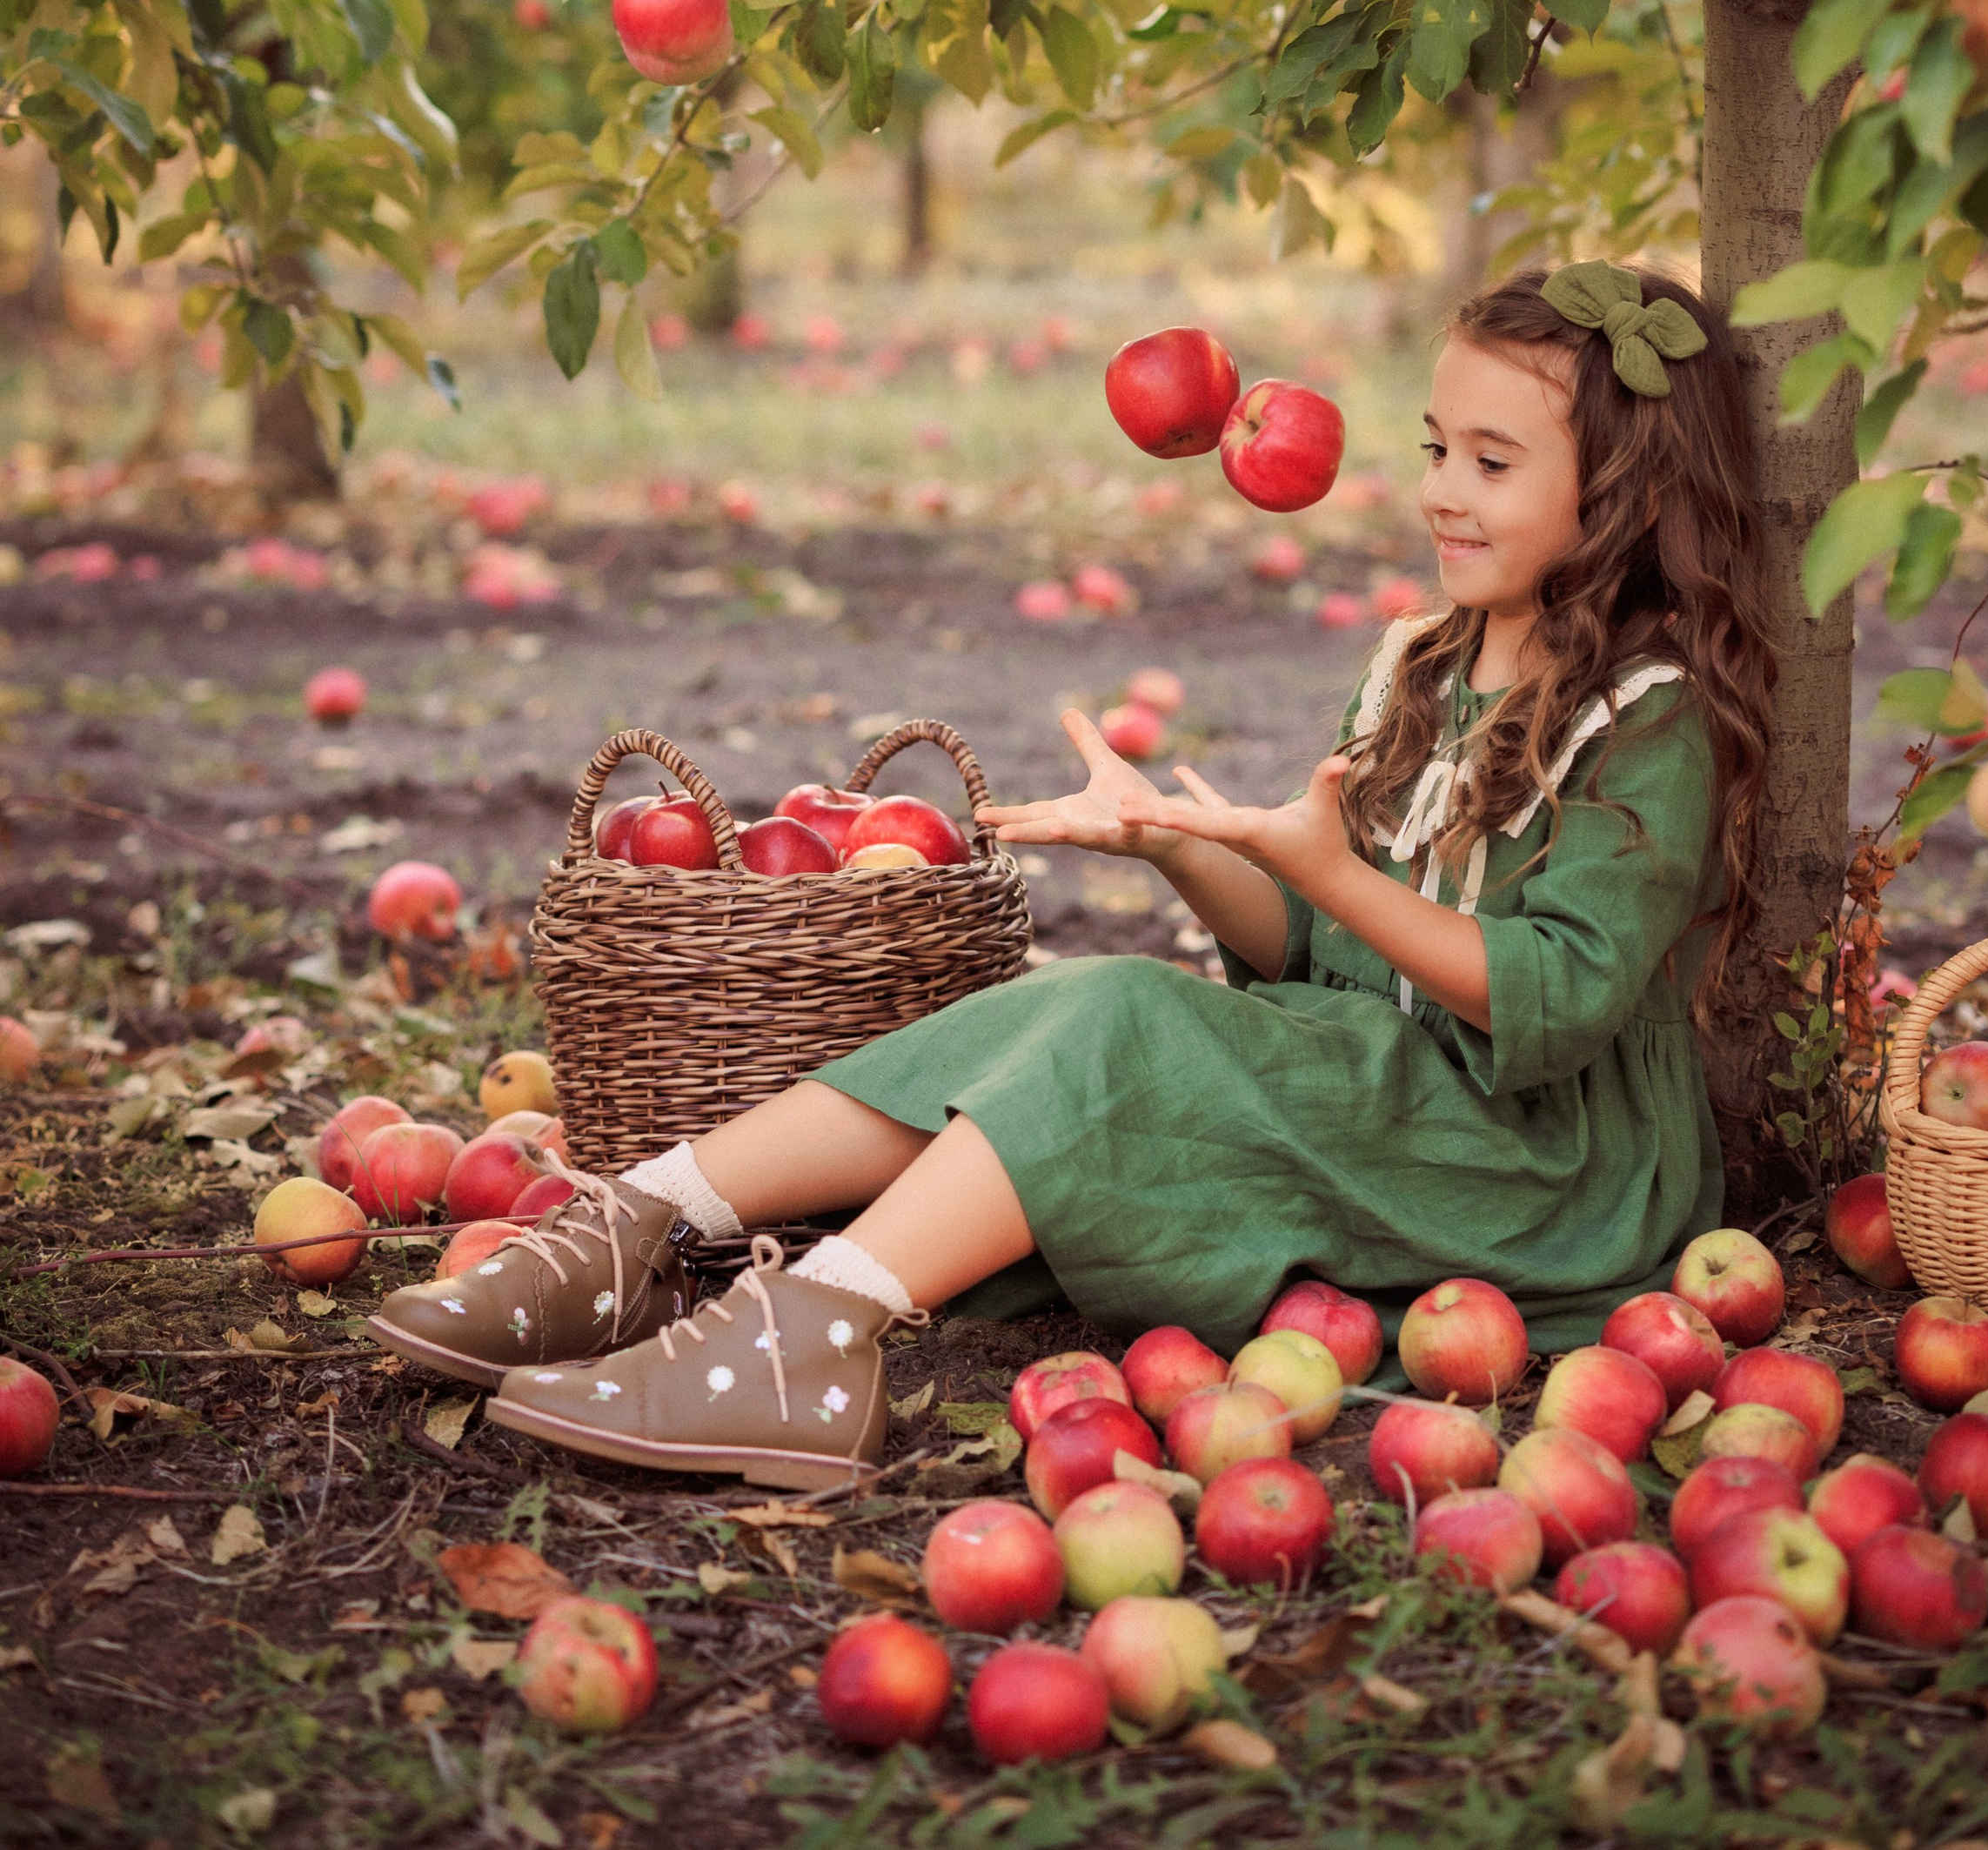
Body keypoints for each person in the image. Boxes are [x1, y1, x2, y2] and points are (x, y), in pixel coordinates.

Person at [371, 264, 1774, 1486]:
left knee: (1125, 1026)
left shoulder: (1647, 721)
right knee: (1069, 1003)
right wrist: (1176, 843)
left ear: (1624, 491)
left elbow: (1556, 998)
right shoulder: (1424, 661)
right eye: (1435, 447)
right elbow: (1309, 947)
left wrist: (1330, 873)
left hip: (1539, 1167)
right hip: (1393, 1089)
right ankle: (639, 1222)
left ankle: (815, 1336)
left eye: (1491, 460)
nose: (1440, 492)